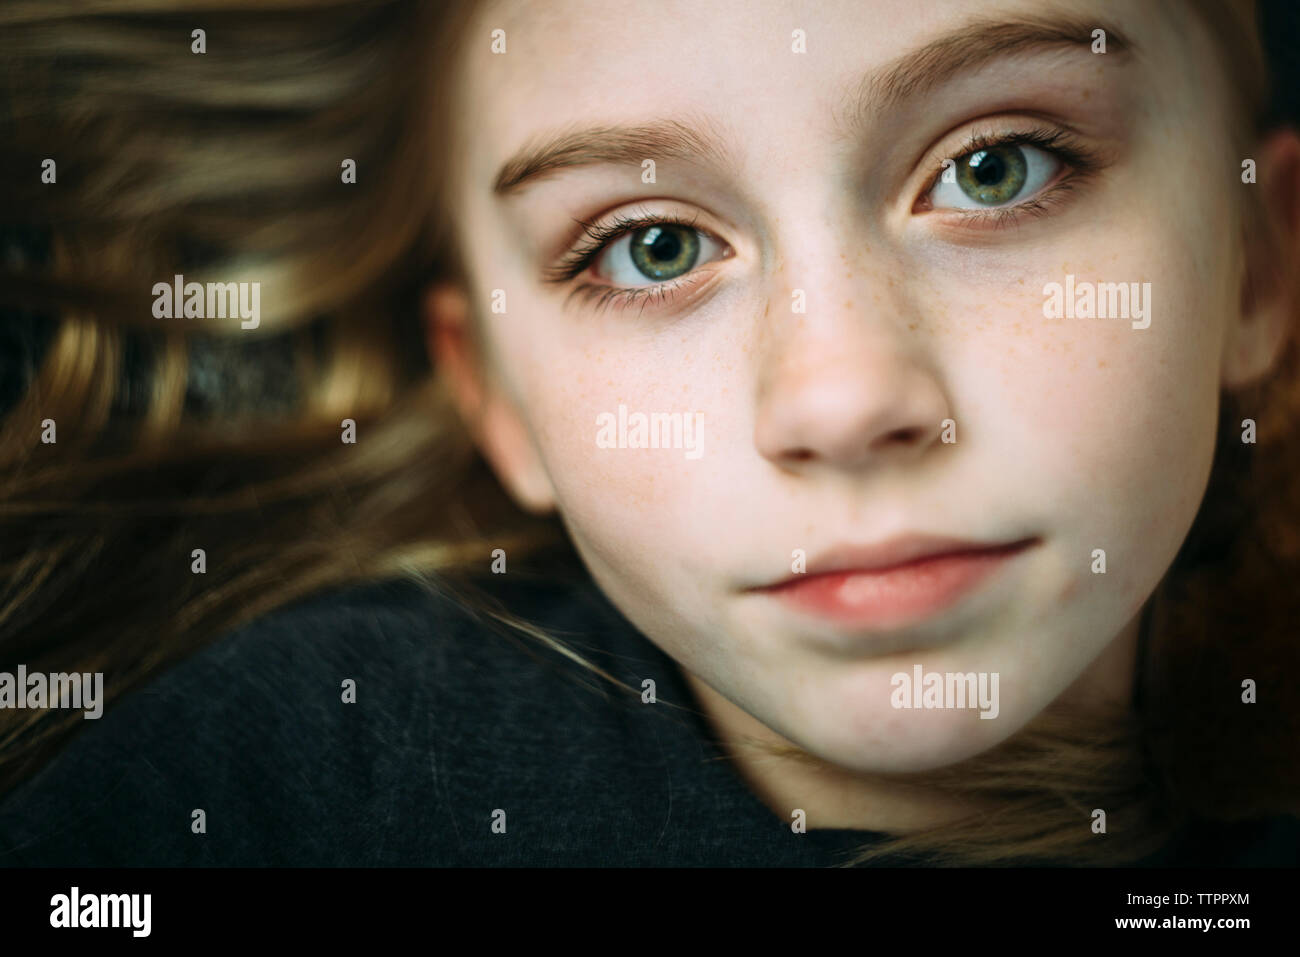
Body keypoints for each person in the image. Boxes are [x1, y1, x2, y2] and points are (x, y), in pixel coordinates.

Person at [1, 0, 1298, 867]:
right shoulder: (306, 778)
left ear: (1257, 270)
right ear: (498, 399)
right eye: (651, 246)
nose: (840, 402)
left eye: (996, 165)